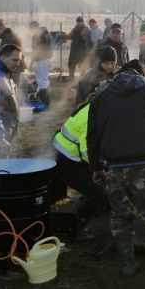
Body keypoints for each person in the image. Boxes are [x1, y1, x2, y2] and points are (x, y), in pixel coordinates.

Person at [88, 60, 145, 276]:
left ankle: (128, 264)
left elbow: (92, 134)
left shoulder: (101, 95)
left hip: (115, 166)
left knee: (121, 216)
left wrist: (96, 166)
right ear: (141, 73)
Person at [51, 99, 107, 240]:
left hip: (69, 155)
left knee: (98, 186)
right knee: (97, 193)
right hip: (65, 160)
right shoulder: (91, 118)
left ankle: (99, 207)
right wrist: (100, 168)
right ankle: (75, 229)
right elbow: (87, 151)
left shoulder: (95, 106)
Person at [28, 21, 54, 107]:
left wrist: (31, 64)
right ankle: (46, 99)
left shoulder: (37, 36)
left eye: (31, 28)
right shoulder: (46, 34)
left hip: (41, 60)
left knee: (41, 81)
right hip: (46, 59)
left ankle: (45, 101)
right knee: (45, 79)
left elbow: (35, 51)